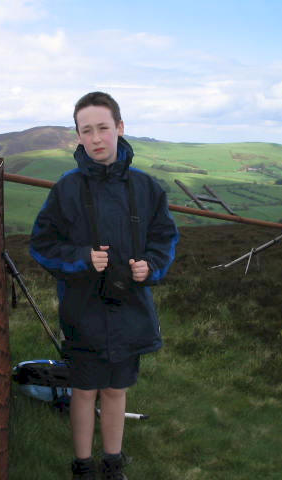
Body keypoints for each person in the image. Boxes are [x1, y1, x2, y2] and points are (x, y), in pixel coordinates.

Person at [30, 92, 178, 479]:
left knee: (115, 390)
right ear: (78, 136)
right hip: (83, 307)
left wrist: (152, 266)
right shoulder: (66, 189)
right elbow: (42, 245)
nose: (96, 138)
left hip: (131, 308)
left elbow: (164, 238)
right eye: (87, 131)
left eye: (103, 128)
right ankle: (82, 465)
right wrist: (81, 257)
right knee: (84, 389)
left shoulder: (148, 188)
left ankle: (112, 462)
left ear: (120, 128)